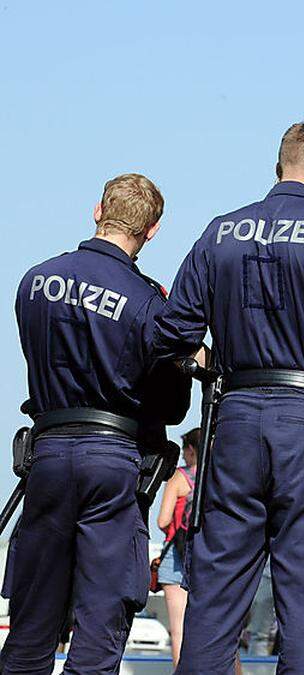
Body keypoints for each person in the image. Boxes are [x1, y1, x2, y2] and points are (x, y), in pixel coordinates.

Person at [152, 121, 304, 673]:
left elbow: (173, 336)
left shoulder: (220, 232)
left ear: (278, 167)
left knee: (213, 608)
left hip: (232, 426)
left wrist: (222, 370)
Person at [3, 174, 190, 673]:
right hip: (112, 459)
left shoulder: (35, 280)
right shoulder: (150, 302)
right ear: (152, 230)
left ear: (97, 211)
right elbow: (171, 406)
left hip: (46, 455)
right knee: (100, 621)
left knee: (31, 625)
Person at [155, 426, 201, 666]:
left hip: (176, 557)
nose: (183, 455)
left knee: (179, 631)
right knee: (222, 629)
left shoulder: (178, 477)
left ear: (192, 449)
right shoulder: (219, 475)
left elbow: (162, 520)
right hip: (209, 557)